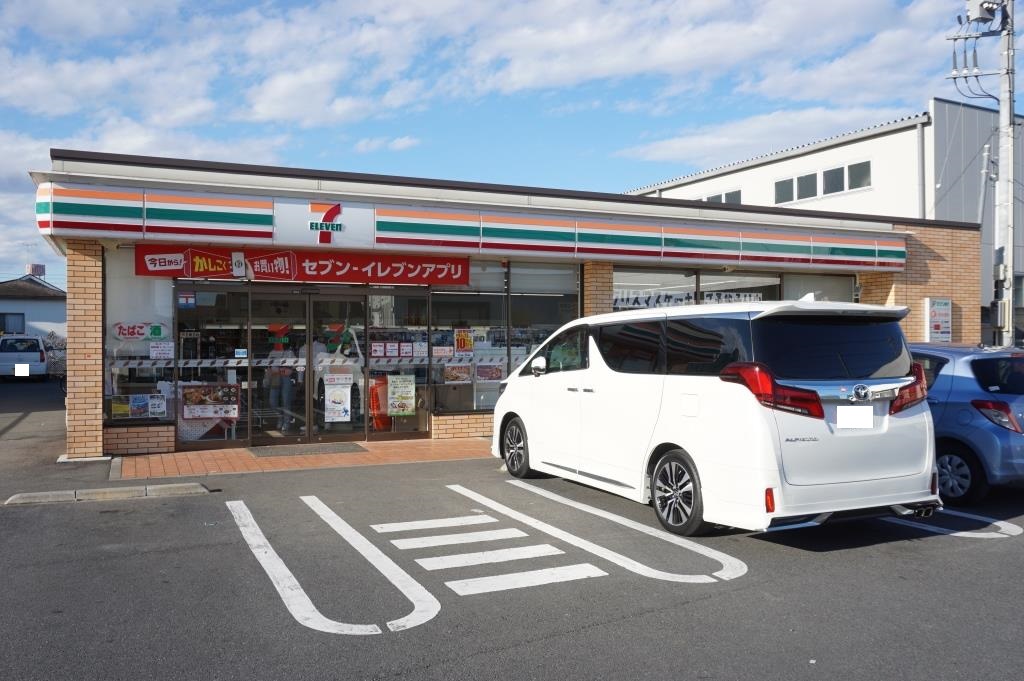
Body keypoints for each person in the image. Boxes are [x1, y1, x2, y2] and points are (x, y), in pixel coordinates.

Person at [264, 325, 296, 433]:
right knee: (272, 401)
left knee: (286, 401)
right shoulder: (272, 352)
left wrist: (286, 370)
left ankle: (286, 423)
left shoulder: (289, 352)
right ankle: (280, 418)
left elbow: (294, 367)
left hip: (286, 379)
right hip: (275, 378)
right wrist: (274, 371)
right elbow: (268, 366)